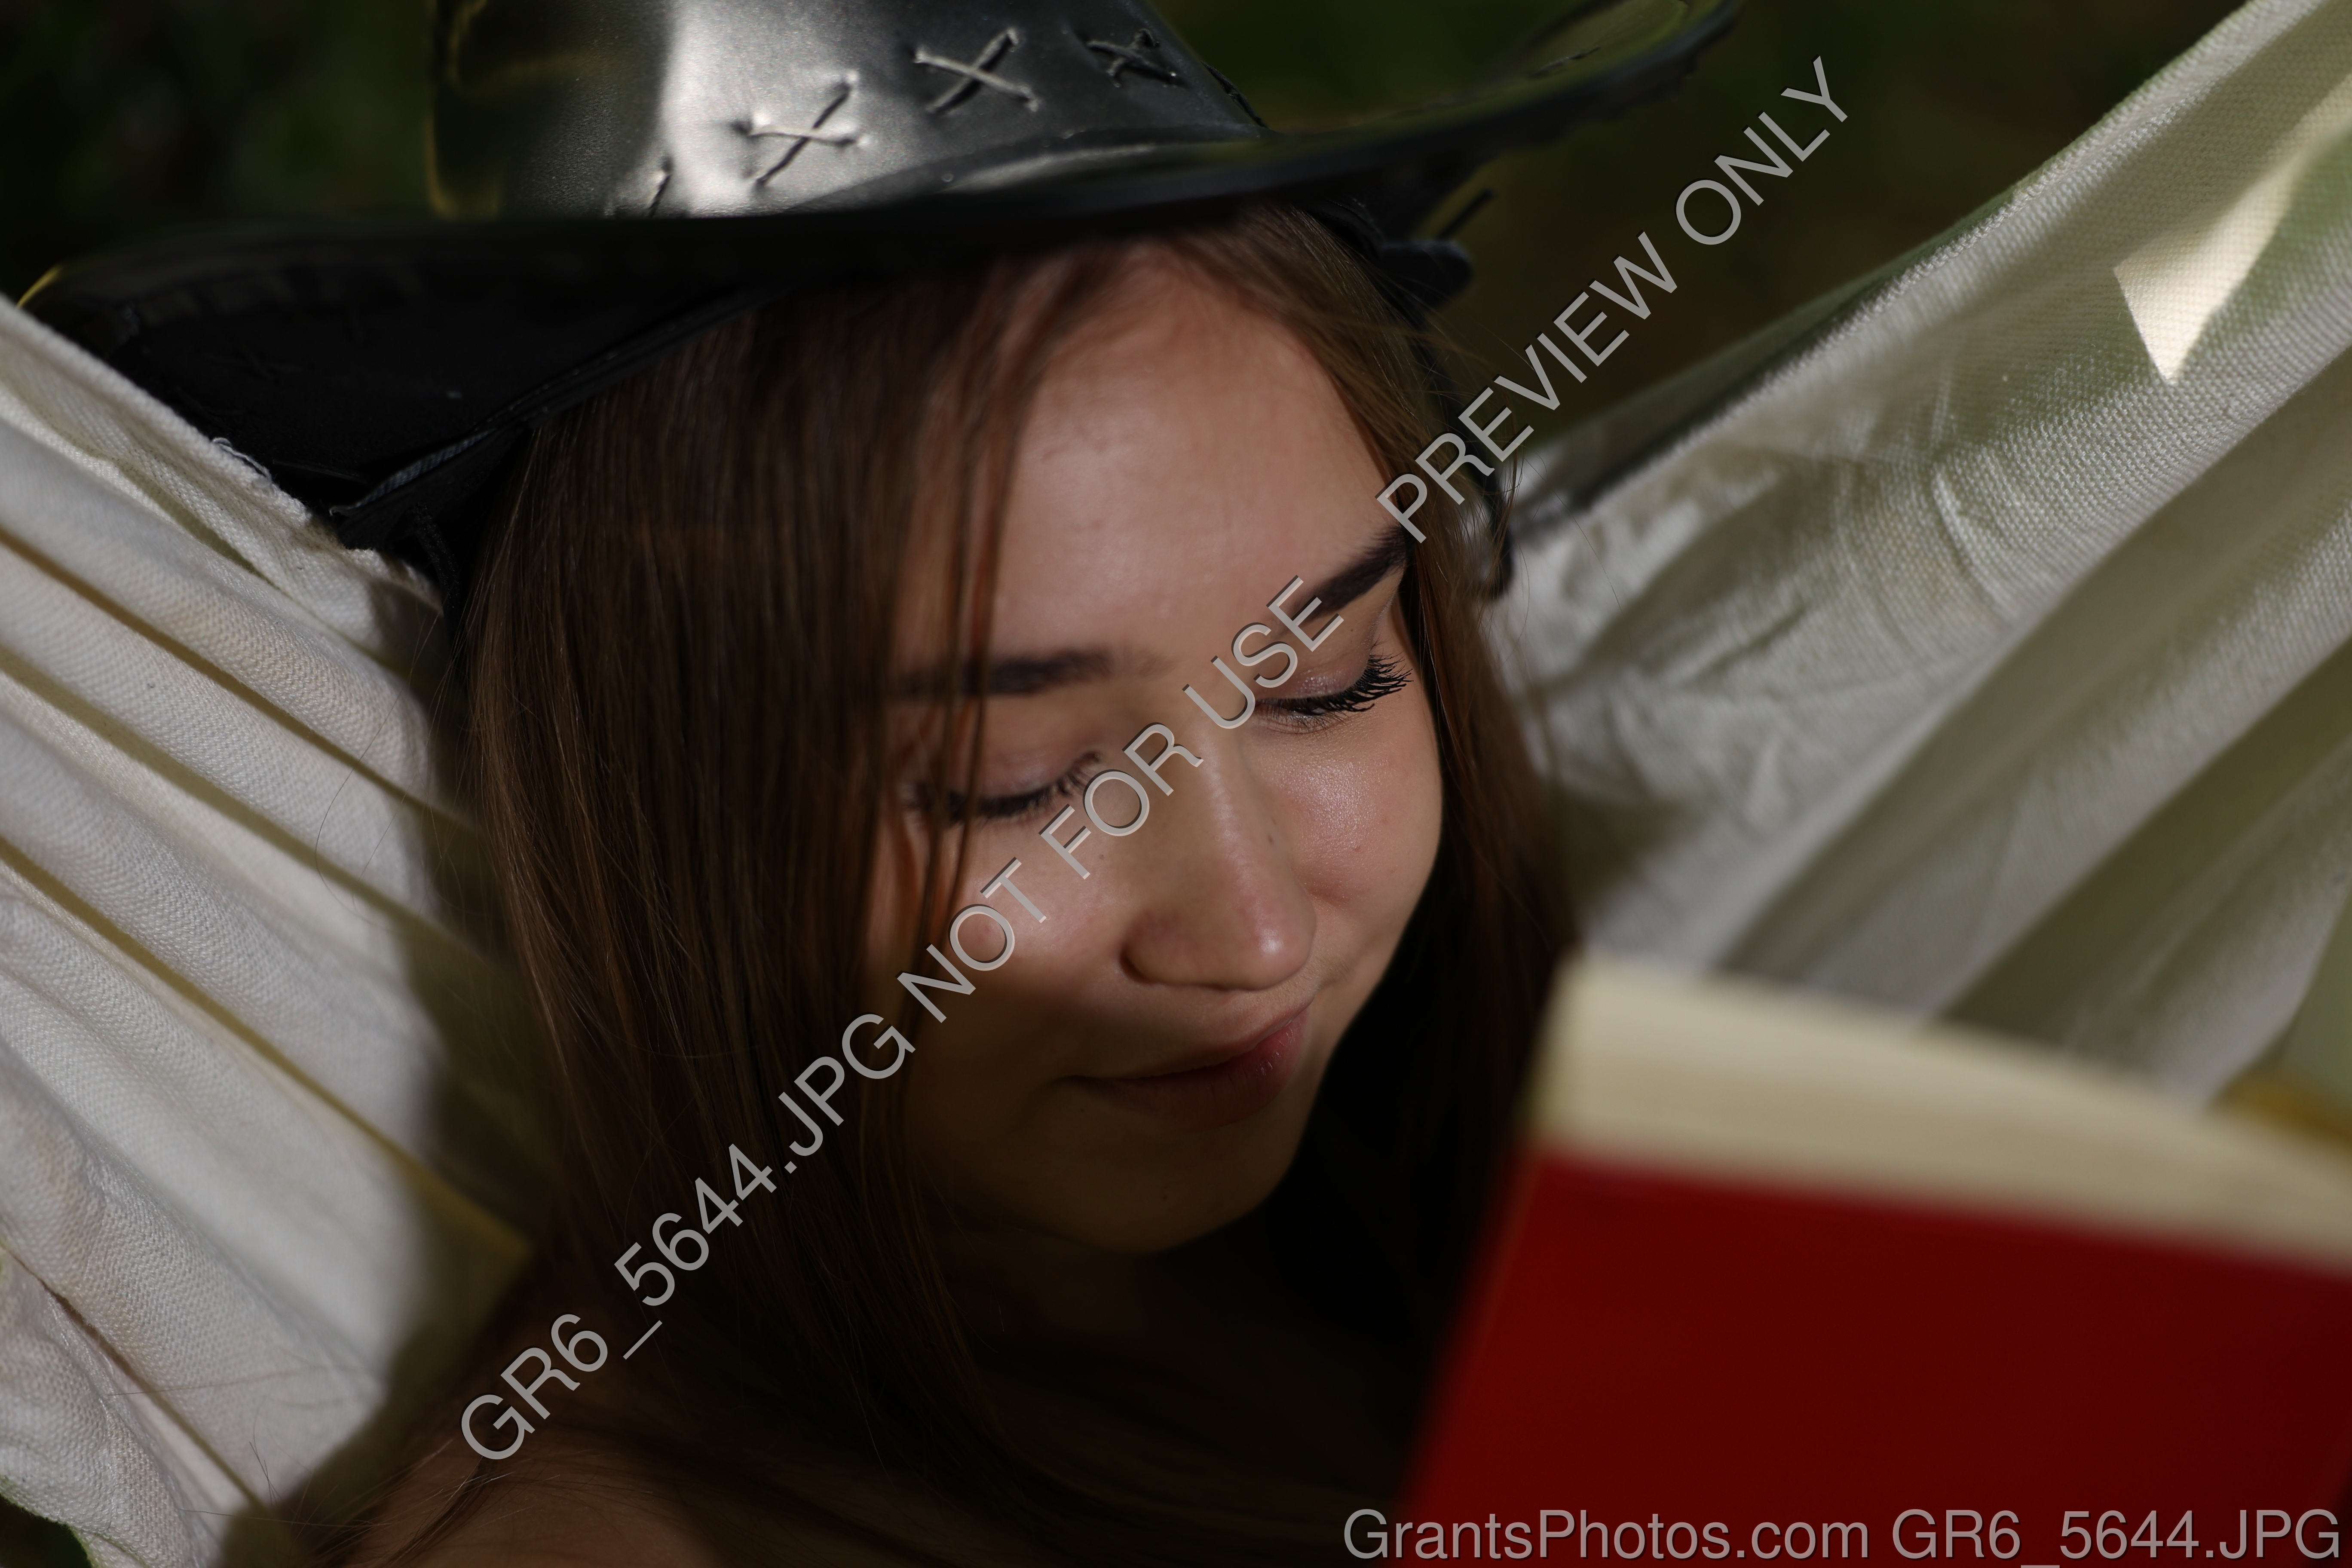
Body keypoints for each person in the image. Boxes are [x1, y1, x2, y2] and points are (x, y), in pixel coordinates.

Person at [17, 0, 1736, 1560]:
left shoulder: (1531, 1177)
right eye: (1018, 781)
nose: (1257, 934)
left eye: (1327, 677)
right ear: (660, 800)